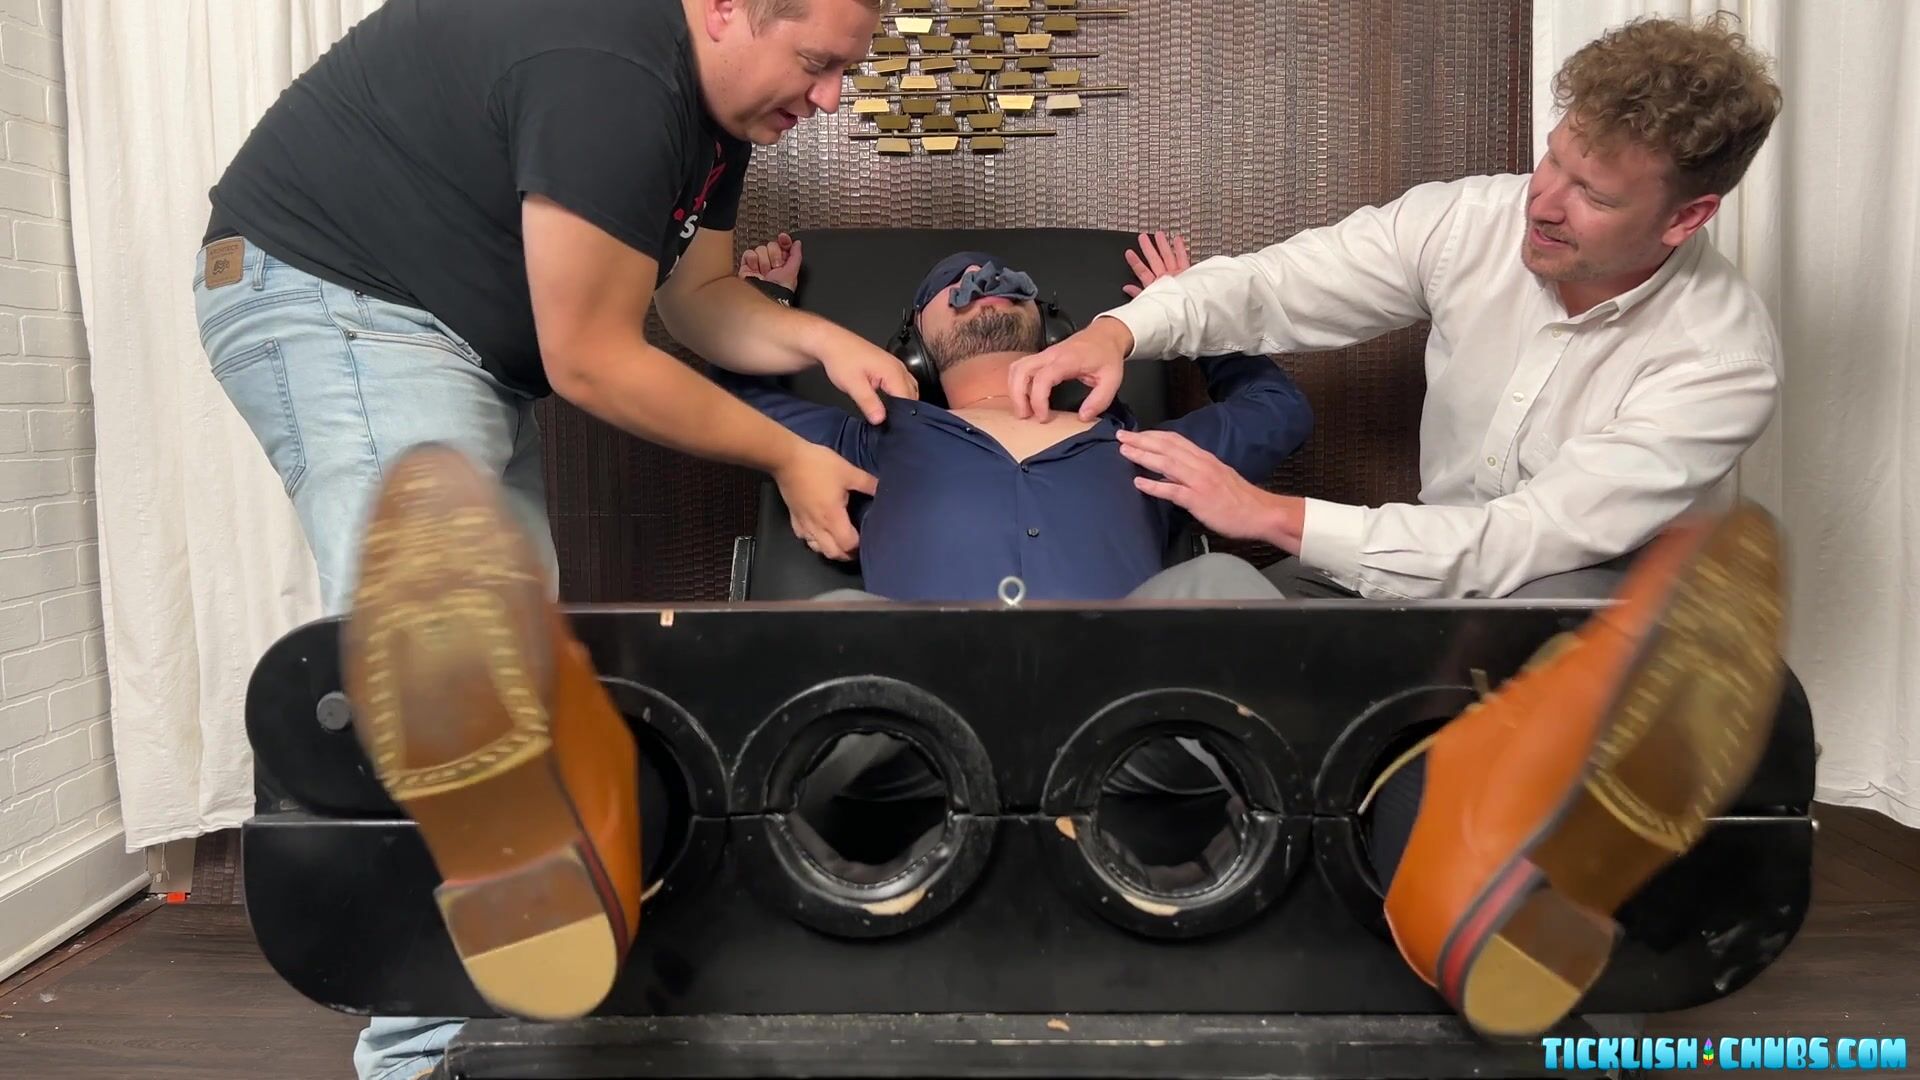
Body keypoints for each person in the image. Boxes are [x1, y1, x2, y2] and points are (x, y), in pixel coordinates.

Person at [191, 1, 914, 1077]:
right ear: (727, 10)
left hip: (447, 341)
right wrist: (787, 455)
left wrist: (821, 339)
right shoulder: (612, 65)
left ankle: (497, 1016)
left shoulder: (714, 120)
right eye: (817, 63)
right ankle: (426, 1054)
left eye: (843, 72)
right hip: (342, 301)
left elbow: (700, 298)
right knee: (452, 676)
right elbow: (591, 358)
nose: (831, 98)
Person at [1006, 14, 1784, 604]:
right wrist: (1120, 332)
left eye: (1594, 195)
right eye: (1553, 157)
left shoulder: (1722, 363)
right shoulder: (1469, 221)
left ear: (1686, 218)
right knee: (1214, 625)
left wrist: (1270, 515)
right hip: (1415, 567)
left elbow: (1526, 537)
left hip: (1583, 604)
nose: (1543, 202)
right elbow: (1276, 285)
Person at [721, 231, 1316, 604]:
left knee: (1224, 583)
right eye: (951, 285)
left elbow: (1279, 411)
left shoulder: (1140, 447)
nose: (981, 282)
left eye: (1006, 282)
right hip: (917, 712)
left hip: (1123, 711)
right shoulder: (877, 438)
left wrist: (1188, 312)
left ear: (1051, 329)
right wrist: (767, 307)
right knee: (839, 616)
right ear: (914, 347)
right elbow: (732, 407)